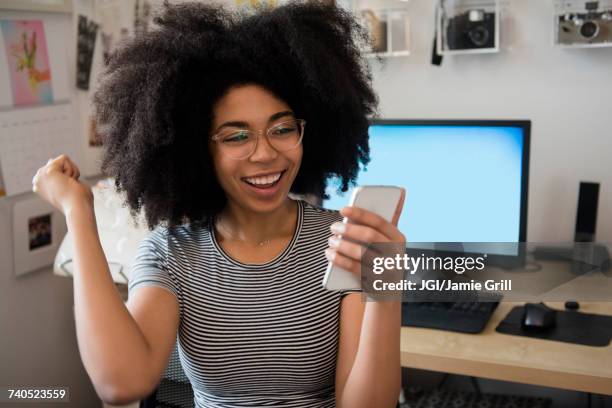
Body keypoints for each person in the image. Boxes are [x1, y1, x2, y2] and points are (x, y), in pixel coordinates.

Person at [32, 1, 405, 407]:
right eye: (236, 136)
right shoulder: (171, 254)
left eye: (282, 129)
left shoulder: (342, 245)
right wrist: (78, 212)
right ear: (197, 150)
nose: (265, 154)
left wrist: (385, 286)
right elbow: (122, 383)